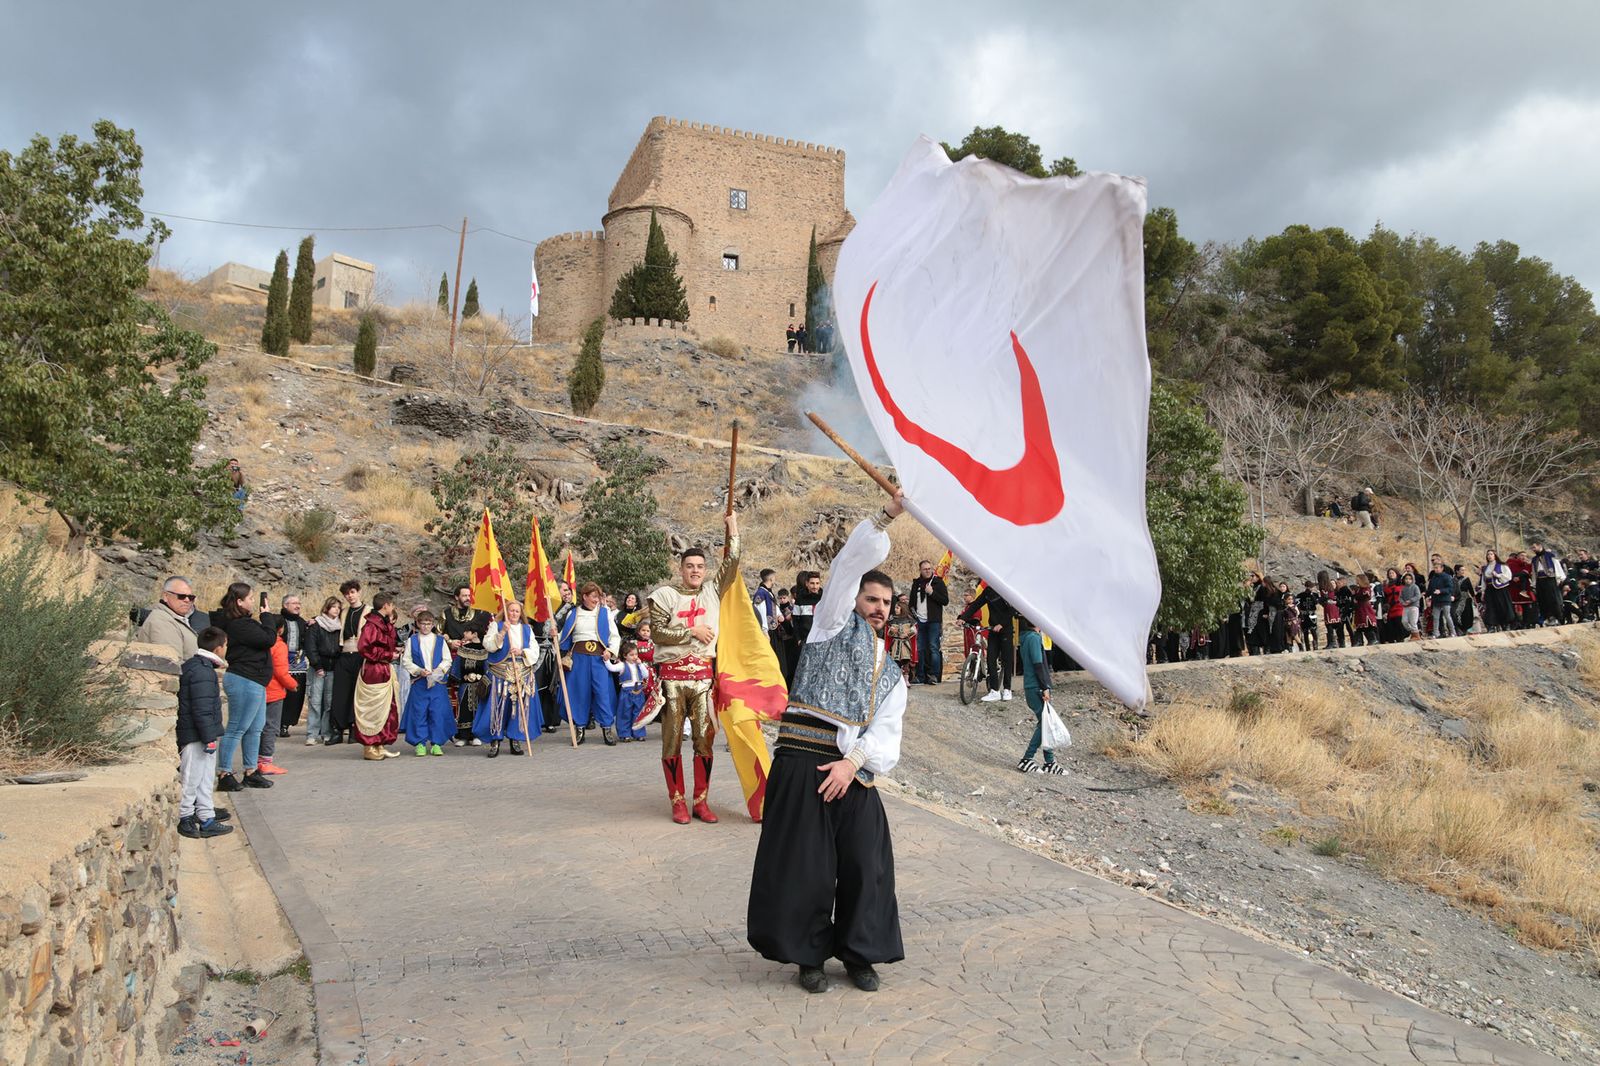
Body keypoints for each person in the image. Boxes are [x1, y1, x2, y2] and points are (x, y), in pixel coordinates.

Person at [747, 497, 907, 995]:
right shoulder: (830, 625)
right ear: (854, 601)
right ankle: (808, 955)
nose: (878, 610)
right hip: (801, 760)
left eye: (886, 603)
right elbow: (845, 569)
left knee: (866, 860)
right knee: (806, 868)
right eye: (870, 600)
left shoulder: (895, 674)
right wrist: (883, 518)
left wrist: (852, 763)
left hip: (851, 770)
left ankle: (859, 953)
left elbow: (887, 731)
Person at [647, 513, 739, 823]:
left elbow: (733, 560)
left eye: (700, 566)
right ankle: (677, 801)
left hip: (703, 679)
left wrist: (732, 527)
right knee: (671, 742)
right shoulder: (664, 596)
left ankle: (701, 801)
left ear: (705, 570)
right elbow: (657, 632)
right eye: (690, 566)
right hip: (672, 680)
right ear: (681, 569)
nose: (695, 571)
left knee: (704, 741)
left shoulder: (712, 592)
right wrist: (691, 632)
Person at [214, 582, 275, 792]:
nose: (252, 601)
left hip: (255, 681)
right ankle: (224, 773)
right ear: (239, 601)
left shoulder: (244, 623)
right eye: (250, 598)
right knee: (237, 727)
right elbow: (268, 639)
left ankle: (250, 771)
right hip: (244, 679)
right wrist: (267, 616)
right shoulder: (239, 624)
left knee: (255, 729)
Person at [177, 626, 234, 839]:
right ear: (219, 648)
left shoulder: (199, 667)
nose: (226, 649)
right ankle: (185, 817)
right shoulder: (202, 671)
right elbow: (201, 708)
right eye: (226, 645)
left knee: (204, 778)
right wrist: (209, 737)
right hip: (196, 735)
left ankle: (206, 816)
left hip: (201, 733)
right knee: (192, 778)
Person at [558, 582, 621, 745]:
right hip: (579, 658)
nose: (596, 600)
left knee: (603, 692)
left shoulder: (605, 613)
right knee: (580, 693)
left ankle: (607, 728)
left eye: (598, 597)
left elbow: (615, 636)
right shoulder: (574, 613)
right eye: (593, 596)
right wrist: (554, 634)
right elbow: (564, 636)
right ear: (584, 596)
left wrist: (611, 651)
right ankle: (580, 728)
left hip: (598, 658)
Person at [476, 600, 540, 757]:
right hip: (500, 672)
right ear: (506, 612)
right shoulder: (496, 625)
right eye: (511, 610)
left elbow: (534, 649)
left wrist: (522, 652)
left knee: (518, 707)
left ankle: (515, 739)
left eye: (517, 611)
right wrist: (502, 633)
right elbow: (488, 645)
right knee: (497, 706)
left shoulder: (526, 629)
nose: (514, 614)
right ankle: (495, 741)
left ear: (521, 613)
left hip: (521, 672)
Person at [352, 593, 401, 761]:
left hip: (383, 668)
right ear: (386, 606)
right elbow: (364, 647)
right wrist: (388, 654)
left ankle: (379, 743)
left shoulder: (383, 623)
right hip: (374, 669)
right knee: (373, 706)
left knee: (386, 707)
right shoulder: (371, 625)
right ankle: (369, 745)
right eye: (391, 605)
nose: (393, 608)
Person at [442, 585, 493, 747]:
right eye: (464, 595)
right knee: (463, 708)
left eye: (469, 595)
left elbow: (487, 669)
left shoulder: (478, 613)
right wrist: (450, 641)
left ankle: (477, 733)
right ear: (456, 597)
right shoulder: (446, 614)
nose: (467, 598)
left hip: (478, 684)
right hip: (456, 661)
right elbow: (439, 633)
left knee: (478, 707)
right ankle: (463, 735)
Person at [1016, 616, 1065, 775]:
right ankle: (1027, 759)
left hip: (1032, 686)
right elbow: (1038, 664)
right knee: (1044, 723)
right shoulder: (1034, 638)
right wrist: (1045, 687)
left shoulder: (1025, 637)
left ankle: (1049, 762)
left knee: (1045, 723)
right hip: (1036, 686)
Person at [401, 610, 454, 757]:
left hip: (437, 683)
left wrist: (439, 670)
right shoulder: (412, 640)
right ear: (418, 624)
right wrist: (418, 670)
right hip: (420, 683)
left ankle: (437, 743)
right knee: (419, 713)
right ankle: (420, 743)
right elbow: (406, 660)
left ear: (433, 624)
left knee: (437, 712)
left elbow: (447, 659)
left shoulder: (440, 640)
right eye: (423, 624)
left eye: (428, 624)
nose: (425, 627)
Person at [328, 580, 369, 745]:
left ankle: (354, 729)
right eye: (346, 594)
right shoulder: (342, 612)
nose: (350, 596)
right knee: (340, 693)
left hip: (360, 655)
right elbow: (327, 619)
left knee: (356, 694)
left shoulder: (369, 611)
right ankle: (338, 730)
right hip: (344, 654)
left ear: (359, 592)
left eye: (352, 592)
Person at [257, 614, 298, 775]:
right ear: (281, 629)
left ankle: (254, 760)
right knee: (271, 727)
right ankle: (266, 761)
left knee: (257, 728)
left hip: (259, 688)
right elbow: (281, 672)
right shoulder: (279, 646)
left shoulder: (258, 644)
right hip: (274, 691)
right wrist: (293, 685)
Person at [962, 583, 1016, 700]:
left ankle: (1007, 689)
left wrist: (1001, 624)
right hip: (993, 630)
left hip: (1005, 629)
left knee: (1006, 660)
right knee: (990, 658)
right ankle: (994, 691)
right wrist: (962, 618)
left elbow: (1013, 609)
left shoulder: (1005, 589)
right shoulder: (987, 591)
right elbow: (975, 605)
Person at [135, 575, 204, 660]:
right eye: (181, 596)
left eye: (191, 597)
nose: (187, 600)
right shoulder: (162, 621)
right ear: (166, 596)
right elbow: (170, 662)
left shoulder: (175, 618)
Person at [304, 597, 342, 745]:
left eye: (338, 607)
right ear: (327, 608)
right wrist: (317, 665)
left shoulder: (340, 626)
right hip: (318, 668)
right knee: (315, 701)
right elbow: (311, 647)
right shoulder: (316, 624)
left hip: (334, 668)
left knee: (329, 702)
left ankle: (326, 732)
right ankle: (311, 733)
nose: (336, 610)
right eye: (333, 607)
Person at [908, 558, 950, 684]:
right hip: (919, 620)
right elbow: (911, 602)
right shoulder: (916, 583)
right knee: (920, 649)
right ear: (920, 570)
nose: (927, 571)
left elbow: (945, 601)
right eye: (924, 569)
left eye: (929, 569)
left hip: (934, 621)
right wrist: (913, 615)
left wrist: (932, 593)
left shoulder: (938, 583)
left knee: (933, 648)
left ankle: (934, 675)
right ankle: (920, 676)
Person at [278, 596, 309, 736]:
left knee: (295, 695)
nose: (298, 606)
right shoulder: (278, 621)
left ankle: (286, 724)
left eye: (299, 603)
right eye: (294, 603)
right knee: (280, 693)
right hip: (280, 661)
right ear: (285, 605)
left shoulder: (302, 622)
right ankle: (276, 722)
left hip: (298, 663)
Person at [613, 642, 652, 742]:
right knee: (624, 713)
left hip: (638, 691)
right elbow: (612, 668)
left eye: (636, 654)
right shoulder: (622, 665)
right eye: (631, 655)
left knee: (638, 713)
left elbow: (646, 675)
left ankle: (639, 733)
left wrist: (640, 664)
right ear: (625, 656)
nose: (634, 657)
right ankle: (624, 734)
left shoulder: (639, 665)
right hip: (626, 691)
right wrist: (606, 661)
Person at [1530, 542, 1566, 625]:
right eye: (1532, 548)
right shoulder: (1534, 559)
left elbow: (1557, 566)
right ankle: (1548, 617)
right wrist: (1534, 583)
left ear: (1540, 546)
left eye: (1534, 547)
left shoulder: (1550, 556)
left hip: (1550, 579)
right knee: (1543, 600)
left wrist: (1559, 578)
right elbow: (1534, 572)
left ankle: (1557, 617)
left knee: (1553, 599)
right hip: (1540, 581)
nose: (1533, 549)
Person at [1481, 550, 1514, 632]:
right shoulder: (1485, 568)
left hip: (1500, 589)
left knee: (1502, 606)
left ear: (1495, 555)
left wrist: (1498, 575)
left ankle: (1505, 624)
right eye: (1488, 554)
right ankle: (1492, 625)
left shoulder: (1501, 565)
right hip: (1489, 590)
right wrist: (1483, 591)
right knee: (1491, 607)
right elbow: (1483, 580)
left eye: (1491, 554)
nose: (1489, 556)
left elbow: (1508, 576)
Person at [885, 594, 916, 676]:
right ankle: (897, 678)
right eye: (895, 608)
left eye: (897, 608)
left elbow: (914, 631)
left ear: (903, 609)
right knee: (896, 662)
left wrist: (906, 634)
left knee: (905, 662)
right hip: (895, 644)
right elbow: (889, 634)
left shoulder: (909, 620)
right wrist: (892, 631)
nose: (895, 609)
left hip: (905, 644)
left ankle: (906, 678)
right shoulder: (893, 620)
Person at [1426, 562, 1457, 639]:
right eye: (1434, 568)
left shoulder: (1446, 577)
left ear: (1442, 568)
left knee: (1447, 616)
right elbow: (1430, 589)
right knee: (1435, 617)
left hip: (1445, 600)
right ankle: (1436, 633)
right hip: (1436, 600)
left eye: (1437, 568)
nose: (1435, 569)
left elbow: (1450, 588)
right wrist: (1427, 595)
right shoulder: (1433, 578)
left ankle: (1453, 632)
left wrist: (1441, 591)